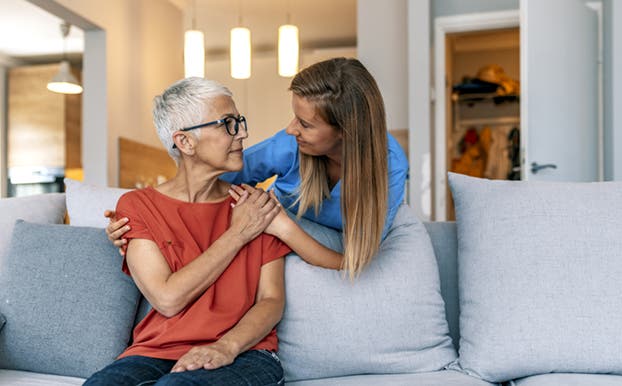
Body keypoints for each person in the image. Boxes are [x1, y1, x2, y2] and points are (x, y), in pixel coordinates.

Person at [107, 57, 409, 279]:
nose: (291, 129)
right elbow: (208, 178)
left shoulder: (390, 168)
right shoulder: (292, 144)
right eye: (294, 117)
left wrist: (282, 226)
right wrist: (141, 224)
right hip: (266, 231)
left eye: (304, 123)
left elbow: (354, 261)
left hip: (304, 240)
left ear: (346, 131)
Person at [85, 77, 290, 385]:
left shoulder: (254, 204)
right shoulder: (137, 206)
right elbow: (168, 299)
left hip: (246, 353)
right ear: (185, 142)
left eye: (240, 122)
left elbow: (272, 300)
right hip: (154, 352)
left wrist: (226, 346)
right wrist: (238, 234)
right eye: (228, 124)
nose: (243, 133)